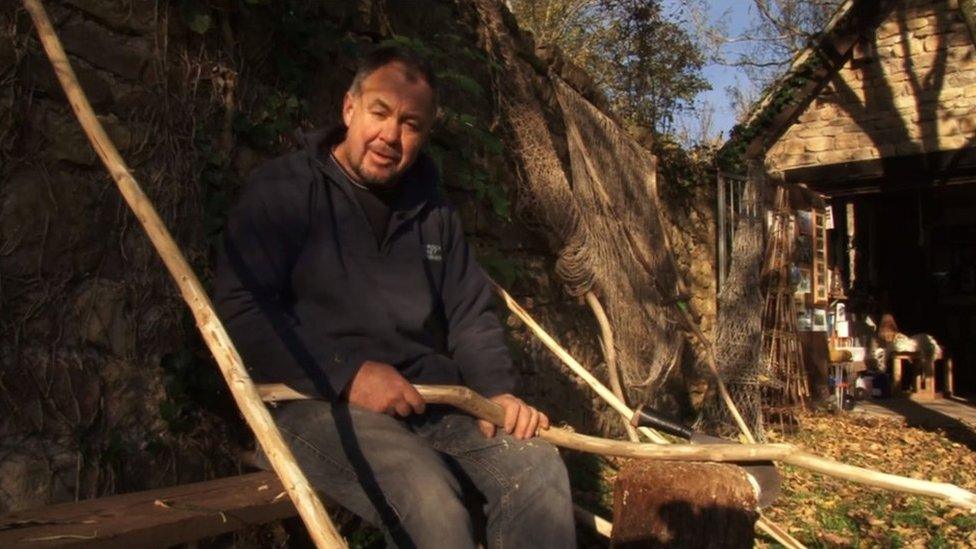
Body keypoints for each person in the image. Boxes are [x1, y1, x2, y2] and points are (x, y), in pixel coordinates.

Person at [213, 45, 576, 548]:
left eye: (410, 124)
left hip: (431, 406)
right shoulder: (286, 190)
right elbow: (241, 307)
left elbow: (470, 313)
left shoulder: (435, 214)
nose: (390, 135)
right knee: (427, 496)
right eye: (379, 113)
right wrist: (348, 373)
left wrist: (497, 392)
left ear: (424, 135)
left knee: (536, 467)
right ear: (349, 109)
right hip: (312, 404)